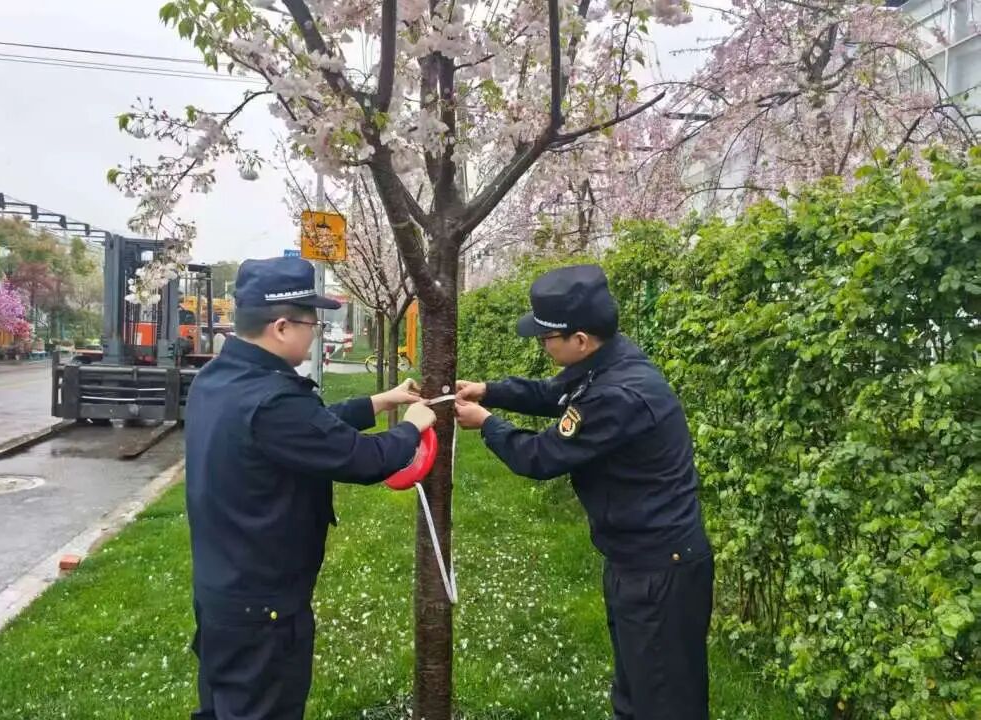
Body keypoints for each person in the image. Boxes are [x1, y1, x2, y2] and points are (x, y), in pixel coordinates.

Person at [454, 264, 713, 720]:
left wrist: (487, 424)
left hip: (659, 570)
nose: (541, 345)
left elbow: (539, 456)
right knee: (635, 693)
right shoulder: (608, 362)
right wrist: (489, 392)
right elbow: (550, 394)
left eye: (545, 338)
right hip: (637, 560)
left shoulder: (618, 394)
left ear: (579, 339)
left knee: (665, 701)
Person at [185, 256, 436, 720]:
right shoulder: (274, 398)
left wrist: (382, 402)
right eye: (312, 322)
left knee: (222, 708)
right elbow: (363, 459)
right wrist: (413, 428)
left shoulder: (219, 380)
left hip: (224, 592)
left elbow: (309, 432)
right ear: (281, 327)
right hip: (264, 611)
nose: (316, 332)